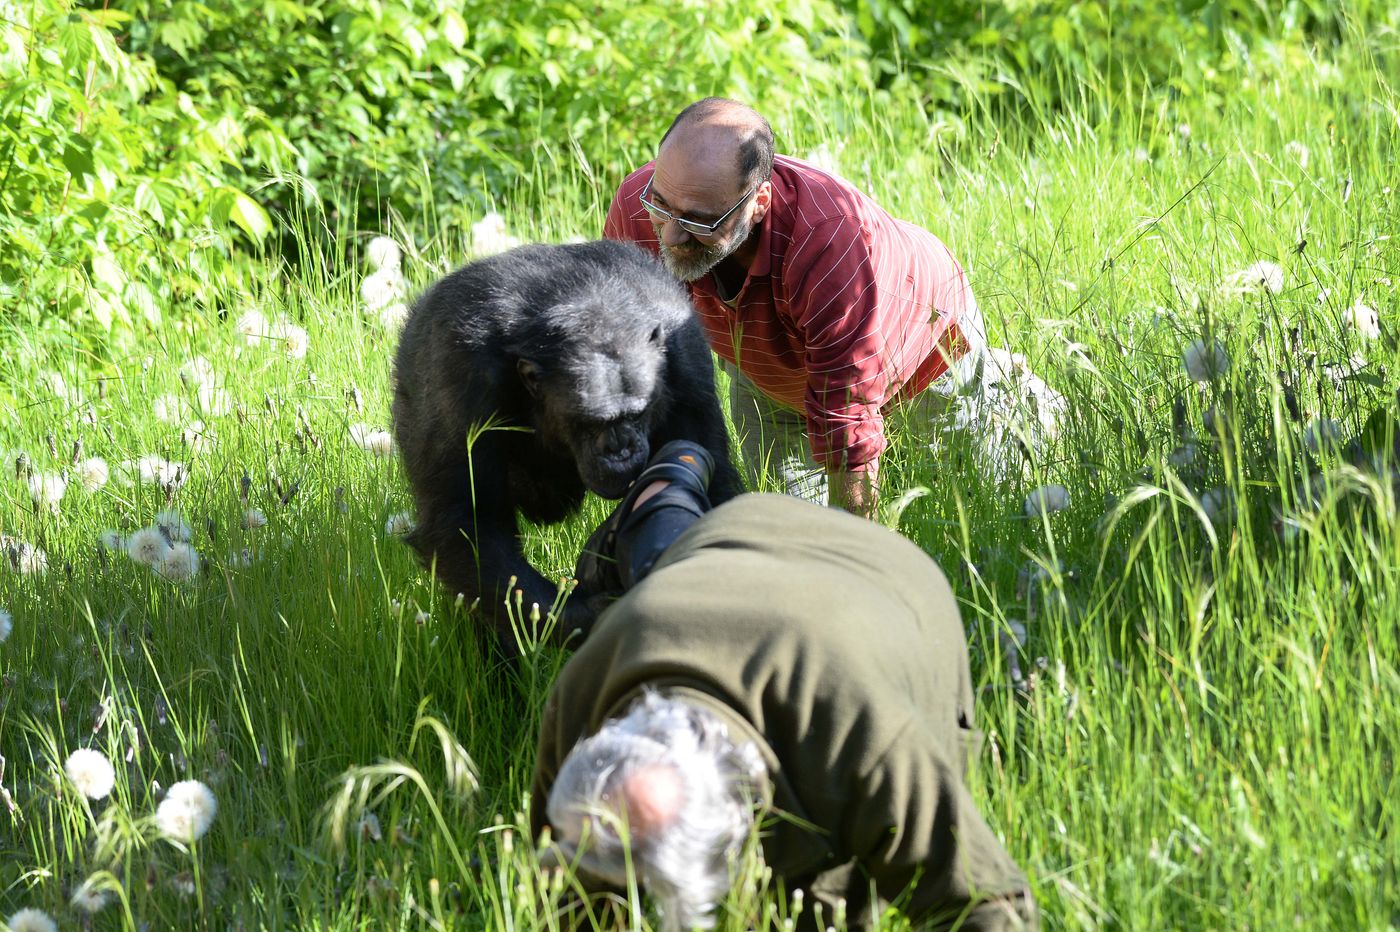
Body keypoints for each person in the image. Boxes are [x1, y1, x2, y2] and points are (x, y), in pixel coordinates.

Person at [531, 441, 1038, 931]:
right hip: (738, 531)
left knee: (821, 904)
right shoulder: (583, 698)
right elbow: (564, 892)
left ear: (735, 827)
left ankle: (662, 500)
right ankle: (662, 500)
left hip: (885, 578)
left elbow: (986, 907)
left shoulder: (866, 736)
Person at [604, 97, 1000, 519]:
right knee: (787, 523)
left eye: (701, 221)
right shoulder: (636, 207)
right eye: (661, 205)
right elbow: (625, 356)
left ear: (758, 202)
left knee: (980, 495)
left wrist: (849, 550)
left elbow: (847, 423)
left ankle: (1026, 403)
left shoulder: (828, 242)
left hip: (923, 347)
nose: (671, 235)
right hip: (769, 367)